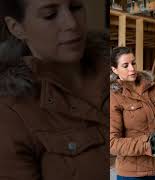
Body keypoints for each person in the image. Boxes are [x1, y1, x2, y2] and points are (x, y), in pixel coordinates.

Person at [0, 0, 107, 179]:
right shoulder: (11, 114)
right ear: (16, 27)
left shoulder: (115, 71)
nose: (72, 23)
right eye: (50, 15)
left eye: (75, 7)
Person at [110, 47, 155, 180]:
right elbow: (112, 143)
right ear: (115, 70)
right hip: (132, 175)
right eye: (125, 65)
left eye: (133, 63)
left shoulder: (154, 89)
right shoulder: (114, 97)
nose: (132, 68)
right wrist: (148, 145)